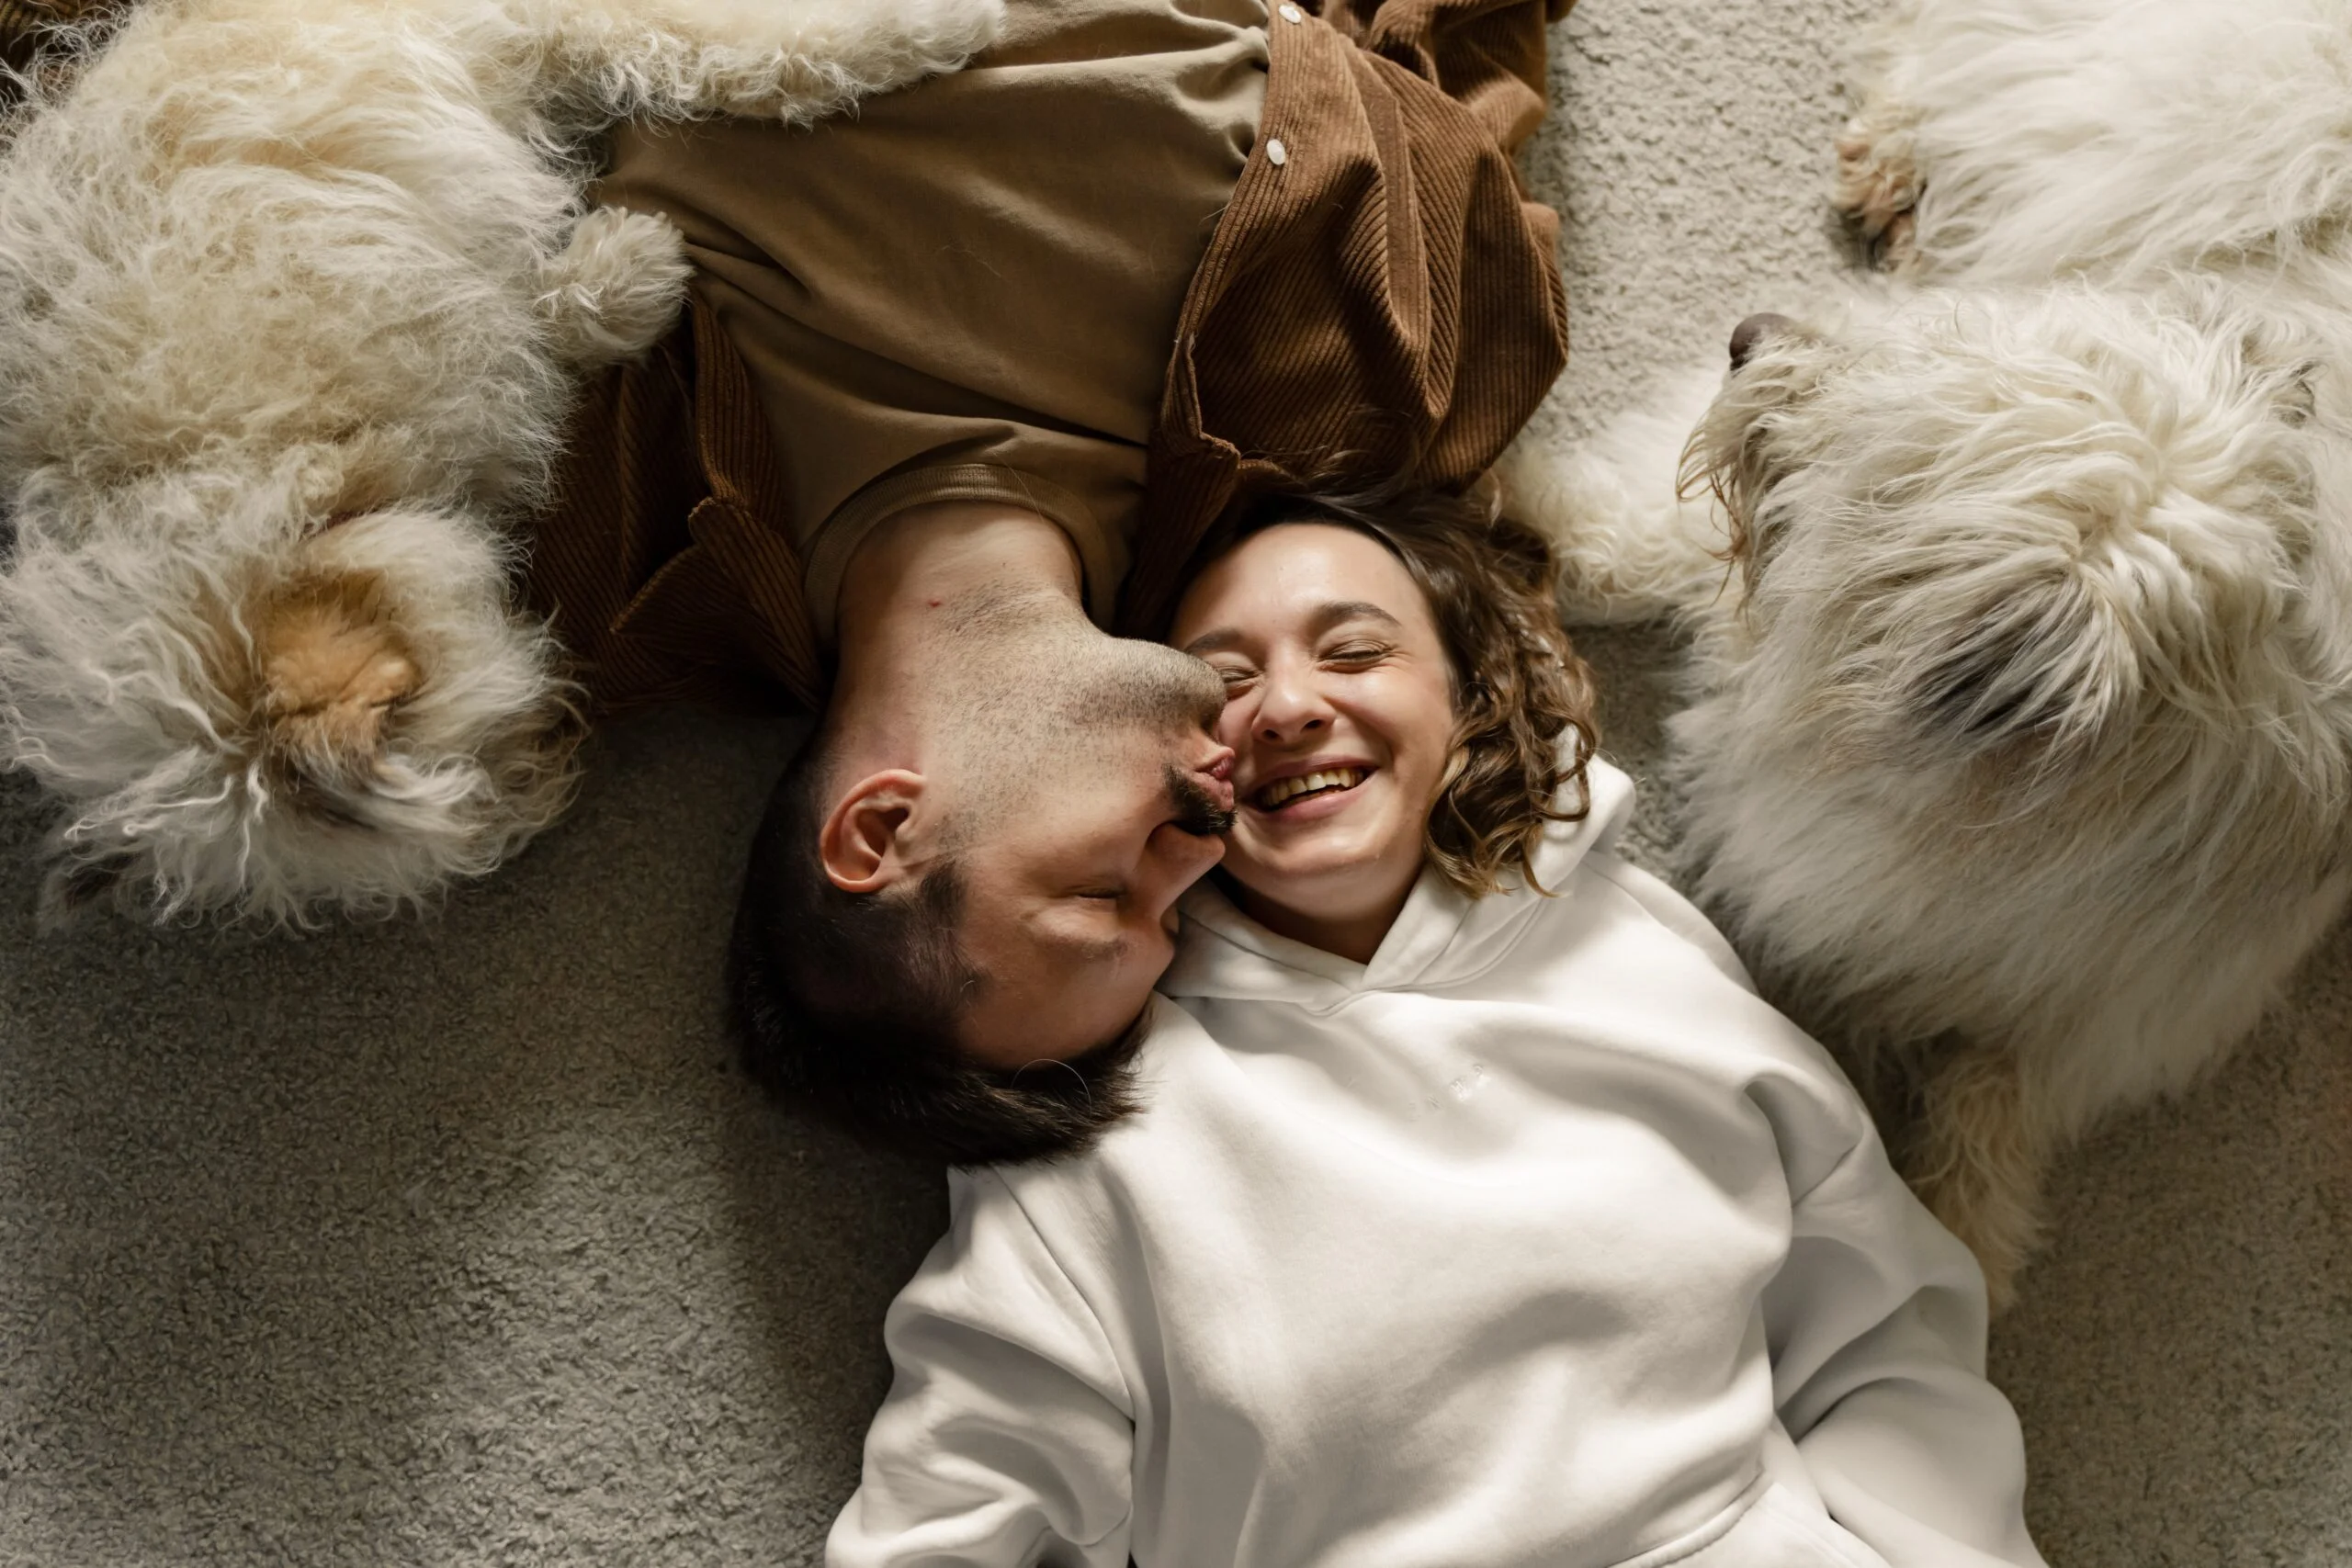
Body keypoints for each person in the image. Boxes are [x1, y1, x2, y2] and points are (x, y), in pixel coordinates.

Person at [824, 499, 2051, 1568]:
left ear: (1464, 700)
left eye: (1354, 649)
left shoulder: (1638, 956)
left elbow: (1885, 1330)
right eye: (1225, 681)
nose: (1291, 706)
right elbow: (955, 1490)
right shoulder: (1103, 1098)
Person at [519, 0, 1576, 1146]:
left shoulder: (585, 538)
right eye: (1174, 913)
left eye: (1102, 896)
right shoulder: (1365, 411)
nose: (1199, 855)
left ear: (880, 830)